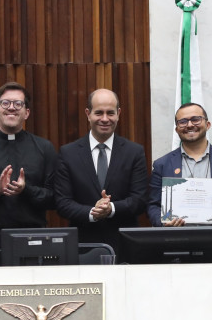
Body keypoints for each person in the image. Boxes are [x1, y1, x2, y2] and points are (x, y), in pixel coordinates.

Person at [53, 88, 148, 252]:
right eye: (99, 113)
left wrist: (111, 208)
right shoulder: (68, 153)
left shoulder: (134, 152)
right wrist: (92, 212)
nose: (105, 119)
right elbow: (62, 203)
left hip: (124, 247)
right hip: (82, 246)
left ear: (118, 113)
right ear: (88, 114)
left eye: (110, 113)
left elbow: (140, 199)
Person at [0, 82, 57, 265]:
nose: (11, 107)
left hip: (35, 239)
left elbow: (54, 198)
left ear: (26, 112)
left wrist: (26, 189)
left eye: (18, 104)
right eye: (5, 103)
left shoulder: (44, 148)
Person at [148, 102, 212, 226]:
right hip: (176, 240)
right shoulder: (162, 165)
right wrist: (164, 222)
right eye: (183, 121)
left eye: (196, 120)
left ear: (207, 125)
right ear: (176, 129)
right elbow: (152, 205)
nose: (190, 125)